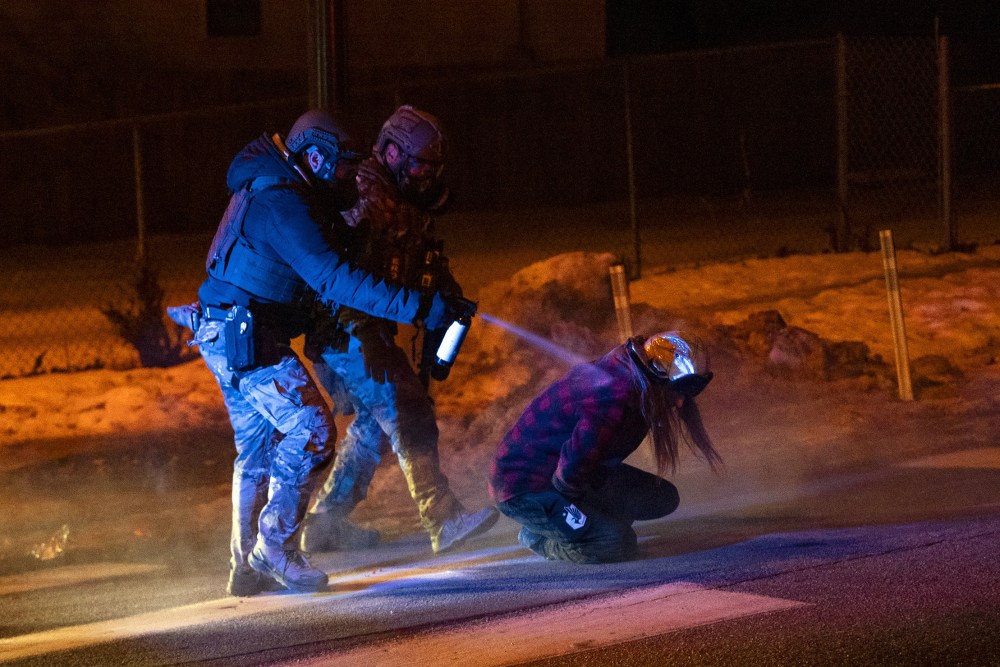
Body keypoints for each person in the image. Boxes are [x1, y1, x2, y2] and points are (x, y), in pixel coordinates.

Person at [188, 109, 463, 596]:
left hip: (231, 329)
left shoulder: (277, 189)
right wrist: (416, 306)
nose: (345, 176)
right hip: (247, 332)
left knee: (256, 451)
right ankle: (275, 550)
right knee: (312, 429)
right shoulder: (282, 203)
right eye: (337, 165)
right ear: (313, 156)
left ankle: (246, 565)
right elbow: (333, 278)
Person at [299, 105, 498, 555]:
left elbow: (415, 259)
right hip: (345, 329)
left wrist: (445, 295)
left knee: (375, 421)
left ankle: (325, 523)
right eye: (420, 165)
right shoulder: (366, 199)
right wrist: (382, 331)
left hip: (361, 330)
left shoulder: (398, 201)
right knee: (405, 408)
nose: (427, 177)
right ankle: (443, 518)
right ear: (391, 153)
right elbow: (344, 282)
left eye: (433, 168)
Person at [489, 330, 721, 564]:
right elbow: (570, 470)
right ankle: (537, 536)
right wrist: (574, 517)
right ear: (656, 376)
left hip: (567, 473)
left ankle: (579, 525)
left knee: (661, 497)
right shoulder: (612, 397)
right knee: (615, 543)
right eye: (677, 392)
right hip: (525, 489)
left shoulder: (631, 375)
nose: (680, 402)